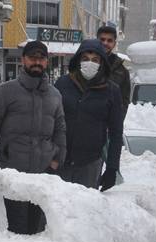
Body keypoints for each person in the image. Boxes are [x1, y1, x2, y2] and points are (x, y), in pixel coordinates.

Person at [0, 40, 67, 234]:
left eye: (41, 59)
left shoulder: (55, 95)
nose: (37, 63)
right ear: (23, 60)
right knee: (17, 228)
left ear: (46, 62)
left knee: (40, 229)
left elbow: (60, 130)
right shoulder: (5, 92)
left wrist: (57, 159)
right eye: (32, 58)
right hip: (14, 173)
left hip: (44, 173)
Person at [54, 39, 123, 191]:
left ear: (102, 63)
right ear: (78, 60)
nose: (89, 63)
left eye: (95, 60)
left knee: (83, 212)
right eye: (85, 59)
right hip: (59, 162)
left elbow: (116, 134)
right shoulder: (62, 84)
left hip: (89, 164)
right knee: (55, 210)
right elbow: (49, 120)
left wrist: (112, 168)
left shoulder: (112, 91)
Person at [97, 26, 131, 117]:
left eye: (109, 40)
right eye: (102, 39)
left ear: (114, 43)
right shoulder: (86, 63)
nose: (105, 43)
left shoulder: (122, 72)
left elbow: (124, 102)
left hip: (108, 125)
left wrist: (116, 123)